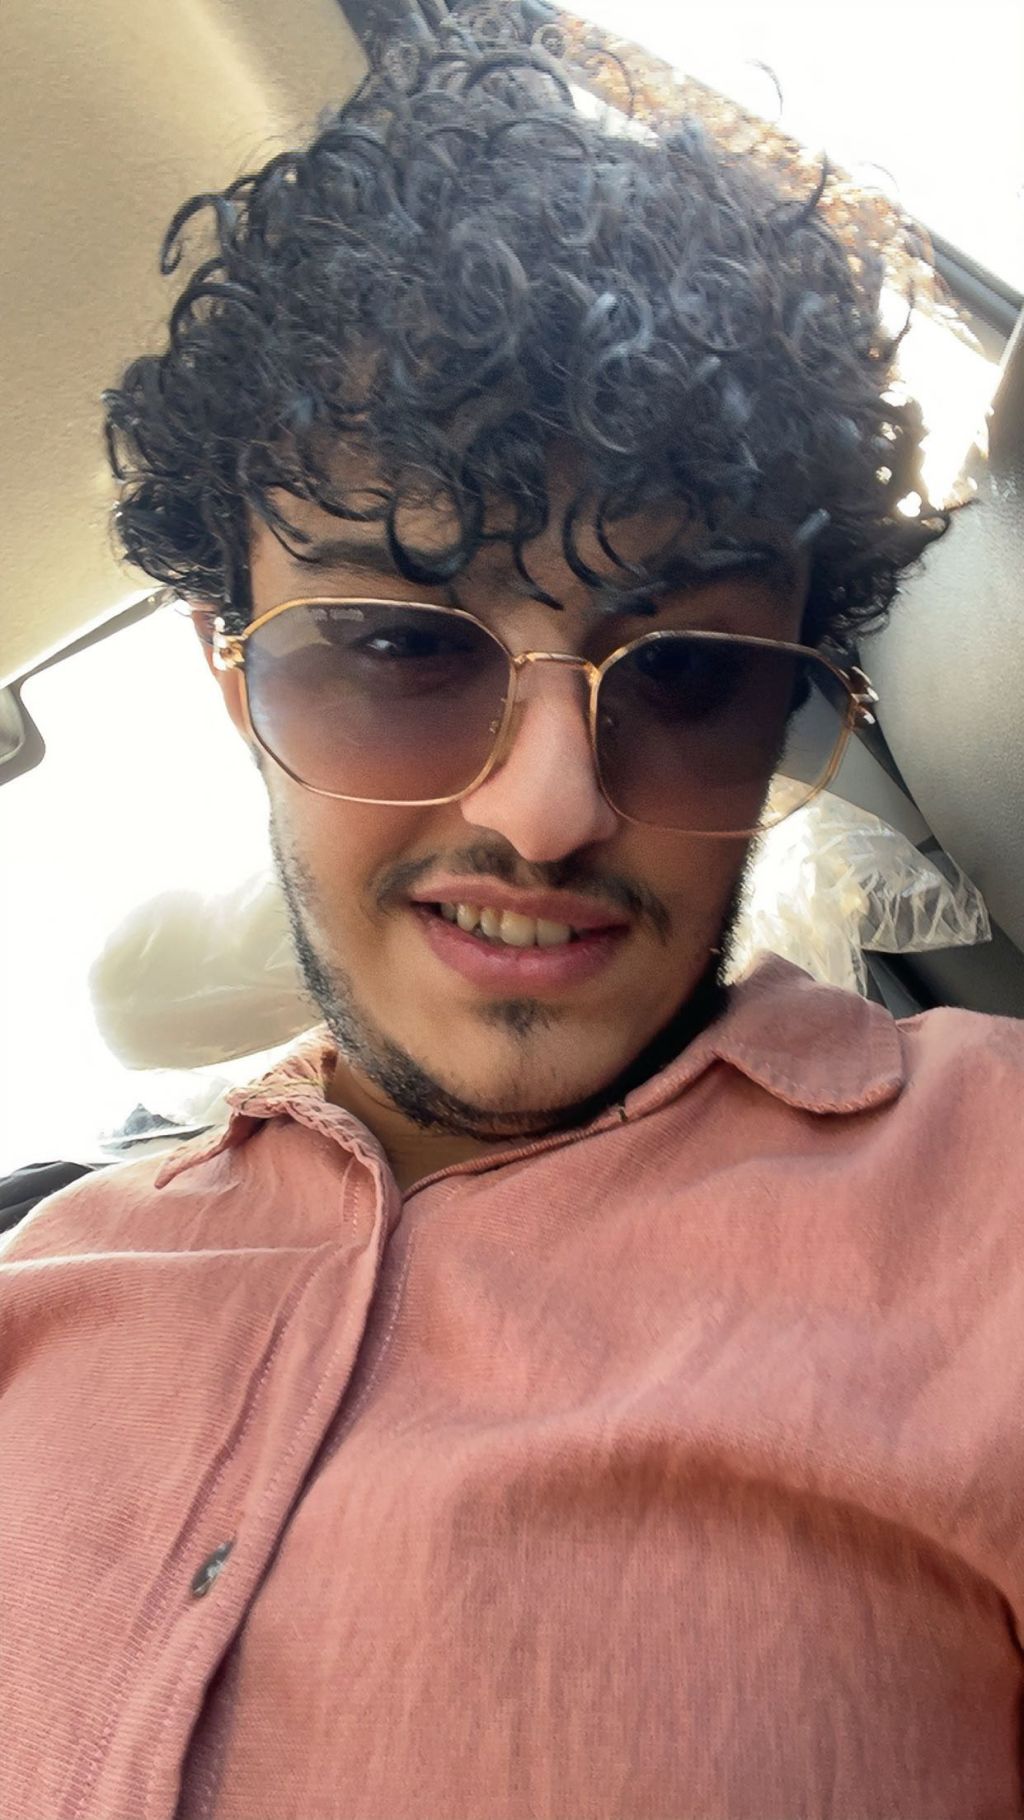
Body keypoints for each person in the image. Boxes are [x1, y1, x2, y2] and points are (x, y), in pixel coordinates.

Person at [3, 8, 1024, 1818]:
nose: (550, 811)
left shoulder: (996, 1199)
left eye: (691, 674)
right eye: (398, 649)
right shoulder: (36, 1290)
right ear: (233, 678)